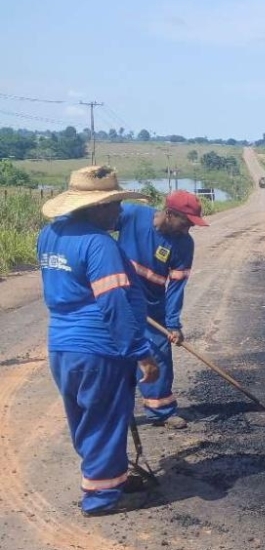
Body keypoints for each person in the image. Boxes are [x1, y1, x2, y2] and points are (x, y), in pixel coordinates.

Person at [38, 166, 160, 516]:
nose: (119, 211)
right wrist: (141, 353)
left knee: (85, 417)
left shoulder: (50, 234)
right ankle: (101, 498)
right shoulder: (99, 243)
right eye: (113, 204)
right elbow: (114, 304)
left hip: (62, 346)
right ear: (95, 207)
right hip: (99, 348)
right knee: (106, 420)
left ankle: (110, 477)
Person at [116, 189, 208, 429]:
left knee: (159, 359)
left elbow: (176, 287)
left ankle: (161, 411)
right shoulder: (131, 214)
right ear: (169, 214)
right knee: (116, 359)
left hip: (152, 309)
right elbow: (97, 229)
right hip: (119, 302)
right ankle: (114, 414)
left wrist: (173, 323)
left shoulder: (184, 244)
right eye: (185, 222)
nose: (188, 228)